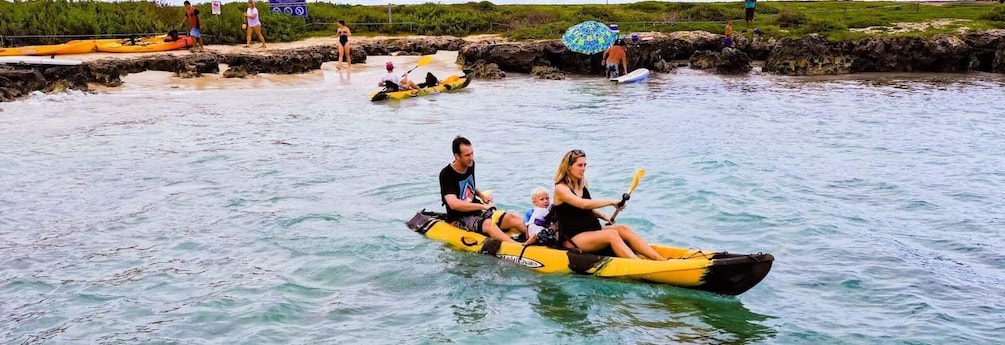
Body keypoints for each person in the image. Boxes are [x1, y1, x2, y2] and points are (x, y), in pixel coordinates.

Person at [551, 149, 667, 260]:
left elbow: (587, 210)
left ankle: (659, 259)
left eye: (585, 165)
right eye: (580, 165)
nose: (584, 168)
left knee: (623, 229)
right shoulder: (561, 189)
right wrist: (611, 202)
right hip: (574, 238)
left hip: (592, 229)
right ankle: (639, 264)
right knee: (611, 235)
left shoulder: (582, 183)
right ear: (569, 167)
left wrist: (603, 217)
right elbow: (583, 204)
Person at [439, 136, 528, 244]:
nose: (471, 157)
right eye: (467, 155)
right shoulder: (446, 174)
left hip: (476, 211)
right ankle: (518, 247)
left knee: (513, 217)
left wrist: (481, 196)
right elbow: (454, 204)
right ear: (457, 156)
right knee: (489, 224)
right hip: (459, 218)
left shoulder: (470, 164)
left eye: (472, 153)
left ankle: (534, 238)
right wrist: (483, 206)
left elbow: (468, 186)